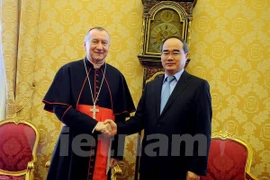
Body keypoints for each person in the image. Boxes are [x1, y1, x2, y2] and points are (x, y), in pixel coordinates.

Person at [107, 36, 212, 180]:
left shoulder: (198, 86)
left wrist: (195, 168)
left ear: (186, 56)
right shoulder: (151, 86)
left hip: (179, 168)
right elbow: (139, 120)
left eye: (175, 52)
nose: (169, 57)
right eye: (165, 52)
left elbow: (203, 130)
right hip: (149, 165)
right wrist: (117, 128)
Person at [42, 27, 135, 180]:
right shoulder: (68, 71)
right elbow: (60, 109)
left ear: (109, 47)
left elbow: (120, 118)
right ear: (85, 45)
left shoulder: (117, 77)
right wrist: (94, 125)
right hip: (71, 143)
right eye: (95, 41)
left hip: (103, 146)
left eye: (104, 43)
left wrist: (117, 153)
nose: (100, 47)